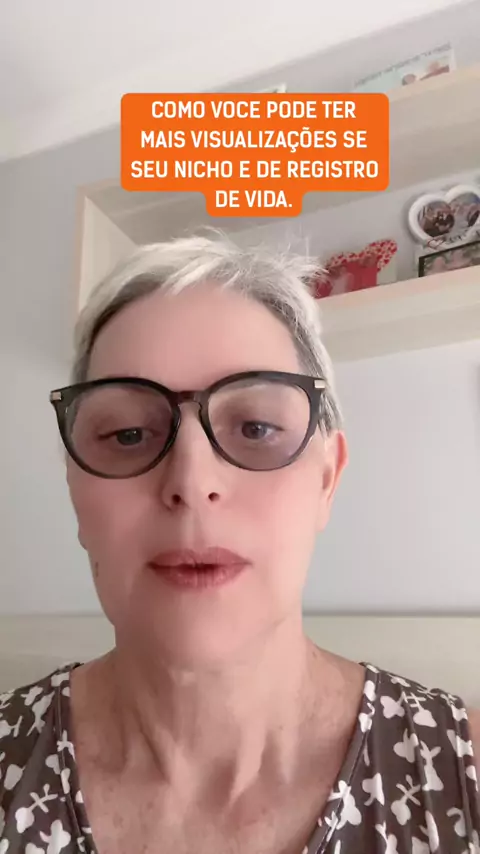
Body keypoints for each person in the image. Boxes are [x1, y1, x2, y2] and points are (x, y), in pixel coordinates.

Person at [1, 233, 479, 853]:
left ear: (327, 480)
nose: (191, 482)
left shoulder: (463, 775)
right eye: (127, 434)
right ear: (75, 487)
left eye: (255, 427)